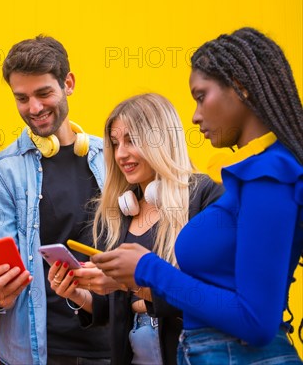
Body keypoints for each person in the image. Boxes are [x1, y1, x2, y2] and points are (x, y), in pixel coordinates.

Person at [92, 28, 303, 364]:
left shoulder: (269, 175)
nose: (194, 115)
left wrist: (148, 269)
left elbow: (256, 322)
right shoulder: (257, 175)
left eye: (201, 96)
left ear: (240, 87)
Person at [48, 93, 224, 365]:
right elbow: (115, 308)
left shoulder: (206, 196)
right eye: (116, 144)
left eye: (132, 141)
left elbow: (209, 294)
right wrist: (76, 293)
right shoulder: (121, 211)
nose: (121, 154)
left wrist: (131, 285)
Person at [0, 35, 111, 364]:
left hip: (112, 343)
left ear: (68, 83)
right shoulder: (3, 171)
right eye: (21, 98)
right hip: (37, 350)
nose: (34, 108)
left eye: (43, 93)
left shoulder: (112, 156)